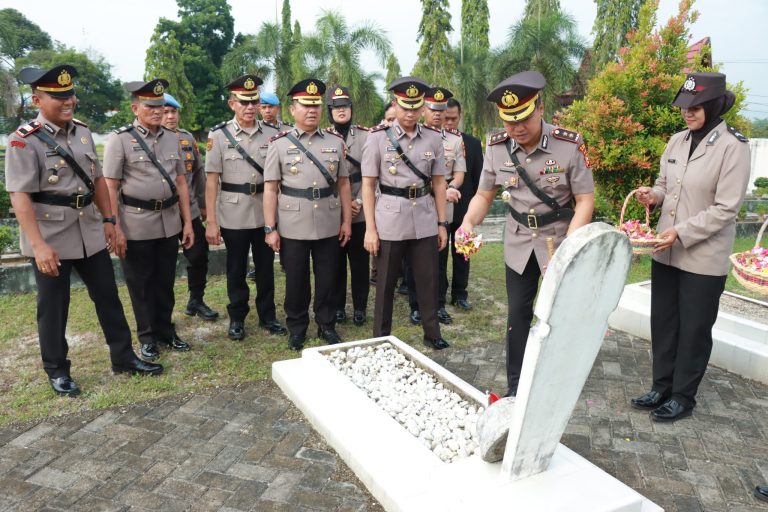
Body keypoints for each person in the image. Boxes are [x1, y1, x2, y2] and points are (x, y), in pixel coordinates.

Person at [6, 65, 163, 396]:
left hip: (89, 230)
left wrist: (110, 221)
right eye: (59, 97)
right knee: (54, 306)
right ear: (37, 99)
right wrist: (38, 246)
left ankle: (123, 357)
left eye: (71, 95)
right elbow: (19, 197)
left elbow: (98, 181)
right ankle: (57, 369)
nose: (69, 102)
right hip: (52, 236)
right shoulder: (24, 141)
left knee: (108, 297)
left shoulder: (82, 132)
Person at [459, 70, 595, 396]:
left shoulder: (568, 145)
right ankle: (517, 388)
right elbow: (484, 195)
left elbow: (585, 200)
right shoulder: (497, 148)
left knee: (559, 315)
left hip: (559, 242)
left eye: (523, 119)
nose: (517, 128)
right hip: (519, 242)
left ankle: (559, 383)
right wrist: (467, 223)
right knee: (518, 314)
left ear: (540, 109)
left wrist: (570, 246)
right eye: (509, 121)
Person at [630, 72, 750, 422]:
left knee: (694, 329)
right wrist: (654, 195)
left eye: (696, 107)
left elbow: (727, 209)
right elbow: (665, 184)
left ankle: (683, 396)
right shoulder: (677, 140)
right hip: (666, 249)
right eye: (684, 107)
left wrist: (681, 232)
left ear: (713, 106)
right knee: (664, 323)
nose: (688, 113)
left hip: (702, 256)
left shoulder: (733, 147)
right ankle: (660, 386)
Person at [103, 78, 195, 361]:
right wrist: (114, 226)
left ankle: (166, 331)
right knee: (141, 284)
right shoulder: (121, 140)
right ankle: (147, 337)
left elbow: (181, 182)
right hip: (136, 222)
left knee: (165, 281)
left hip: (169, 220)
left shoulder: (172, 138)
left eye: (160, 105)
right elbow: (110, 186)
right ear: (135, 108)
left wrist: (188, 222)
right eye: (150, 106)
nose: (157, 111)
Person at [361, 76, 450, 350]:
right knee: (386, 282)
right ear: (395, 105)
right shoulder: (377, 138)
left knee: (427, 279)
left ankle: (432, 333)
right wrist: (370, 229)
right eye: (405, 106)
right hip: (389, 217)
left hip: (424, 215)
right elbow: (368, 184)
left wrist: (442, 223)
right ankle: (381, 336)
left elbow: (438, 183)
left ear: (423, 107)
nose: (410, 113)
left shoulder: (434, 138)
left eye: (415, 107)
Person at [263, 78, 353, 350]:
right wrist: (270, 228)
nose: (311, 110)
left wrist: (347, 221)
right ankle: (297, 327)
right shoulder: (279, 143)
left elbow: (344, 183)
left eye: (315, 105)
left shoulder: (335, 142)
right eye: (305, 105)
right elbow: (270, 188)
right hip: (293, 223)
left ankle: (326, 324)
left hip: (328, 219)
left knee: (328, 277)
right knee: (296, 280)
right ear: (293, 109)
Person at [204, 75, 287, 340]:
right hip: (233, 212)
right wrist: (213, 222)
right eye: (244, 102)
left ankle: (268, 315)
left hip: (265, 211)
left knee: (265, 268)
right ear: (232, 104)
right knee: (236, 269)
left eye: (254, 102)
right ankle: (237, 318)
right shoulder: (218, 136)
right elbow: (211, 182)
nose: (250, 107)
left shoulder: (273, 134)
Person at [405, 86, 466, 326]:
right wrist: (439, 187)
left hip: (443, 207)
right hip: (417, 206)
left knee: (440, 260)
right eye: (433, 109)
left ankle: (438, 304)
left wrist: (451, 186)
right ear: (423, 110)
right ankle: (416, 306)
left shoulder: (455, 140)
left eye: (442, 110)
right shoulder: (412, 138)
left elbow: (459, 172)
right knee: (415, 260)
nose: (438, 115)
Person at [162, 93, 219, 322]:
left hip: (191, 211)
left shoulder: (186, 138)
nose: (169, 116)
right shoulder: (147, 141)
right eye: (165, 112)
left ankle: (196, 299)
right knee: (163, 264)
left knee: (198, 255)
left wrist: (204, 206)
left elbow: (198, 173)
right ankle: (162, 313)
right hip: (162, 212)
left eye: (173, 112)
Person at [326, 86, 370, 327]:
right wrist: (342, 206)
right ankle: (338, 306)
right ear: (330, 112)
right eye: (336, 108)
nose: (341, 111)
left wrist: (359, 202)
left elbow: (371, 176)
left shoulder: (365, 136)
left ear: (351, 110)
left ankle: (360, 307)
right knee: (335, 262)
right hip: (333, 209)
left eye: (345, 107)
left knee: (360, 263)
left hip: (360, 208)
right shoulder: (322, 136)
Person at [443, 97, 482, 310]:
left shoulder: (473, 144)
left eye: (453, 119)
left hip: (464, 209)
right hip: (438, 209)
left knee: (463, 253)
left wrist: (474, 212)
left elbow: (480, 182)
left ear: (460, 117)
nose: (449, 123)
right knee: (438, 254)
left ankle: (460, 293)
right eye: (445, 119)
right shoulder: (432, 142)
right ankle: (439, 292)